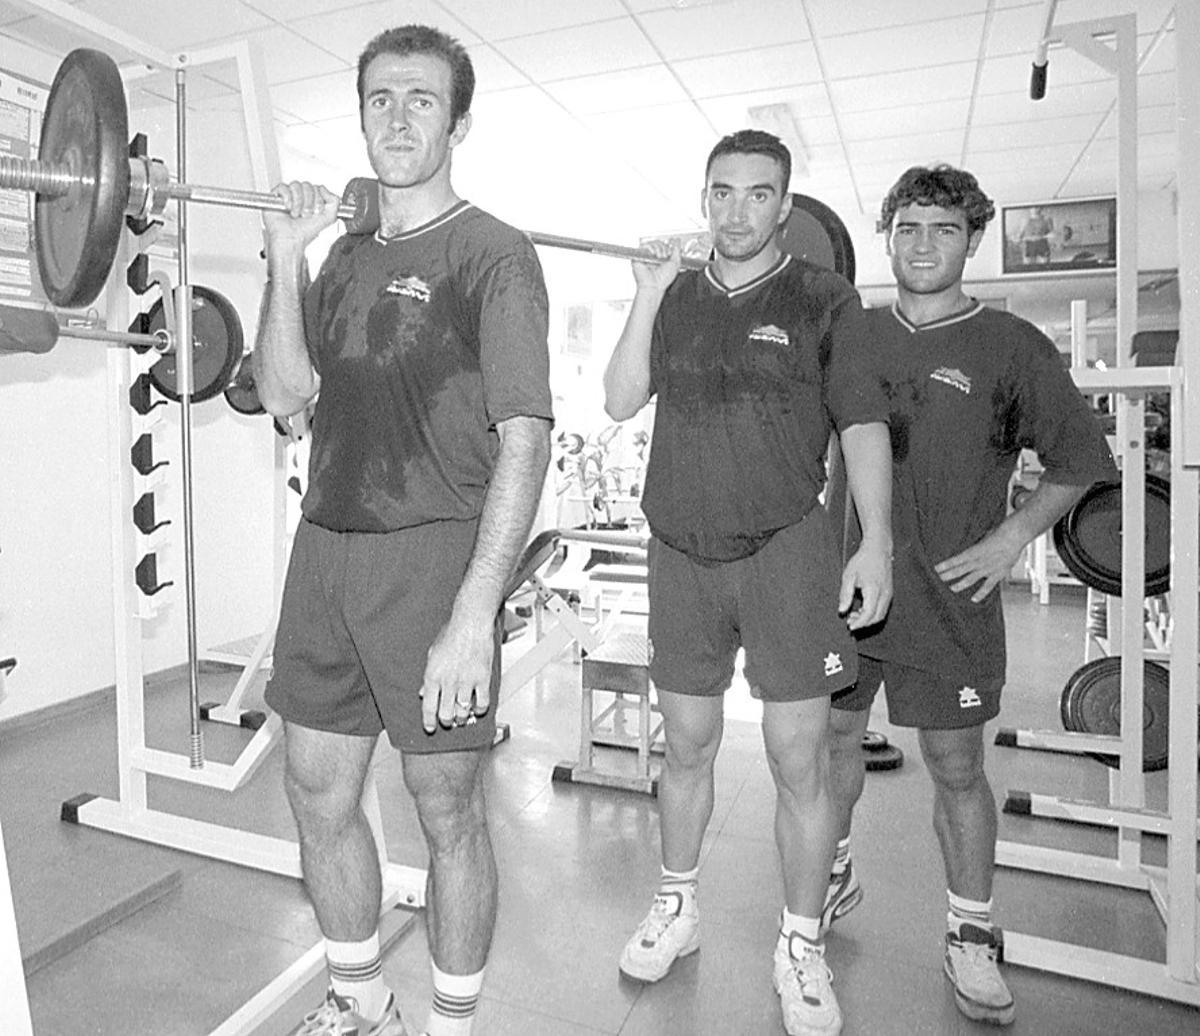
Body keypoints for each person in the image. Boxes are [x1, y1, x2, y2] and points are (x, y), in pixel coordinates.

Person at [253, 24, 553, 1036]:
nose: (396, 116)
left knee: (448, 809)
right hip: (325, 550)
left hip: (435, 554)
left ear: (457, 124)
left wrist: (475, 613)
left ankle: (452, 1025)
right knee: (315, 791)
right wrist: (285, 260)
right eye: (379, 98)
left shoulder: (493, 253)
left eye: (421, 99)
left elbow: (525, 441)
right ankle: (361, 998)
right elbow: (284, 395)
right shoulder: (339, 257)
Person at [603, 129, 894, 1036]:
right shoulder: (678, 296)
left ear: (785, 206)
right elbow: (618, 399)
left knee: (798, 758)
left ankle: (801, 942)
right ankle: (677, 903)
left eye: (757, 194)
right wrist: (647, 294)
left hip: (784, 550)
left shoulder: (823, 298)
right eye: (722, 192)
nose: (737, 211)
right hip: (681, 549)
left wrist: (877, 542)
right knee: (685, 745)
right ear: (705, 199)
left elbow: (862, 424)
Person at [823, 165, 1116, 1027]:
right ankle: (830, 873)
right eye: (908, 228)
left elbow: (1079, 460)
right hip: (849, 584)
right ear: (887, 237)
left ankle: (971, 932)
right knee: (833, 744)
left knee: (956, 768)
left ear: (973, 240)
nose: (923, 245)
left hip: (950, 595)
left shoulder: (1011, 345)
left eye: (943, 230)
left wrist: (1010, 539)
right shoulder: (853, 332)